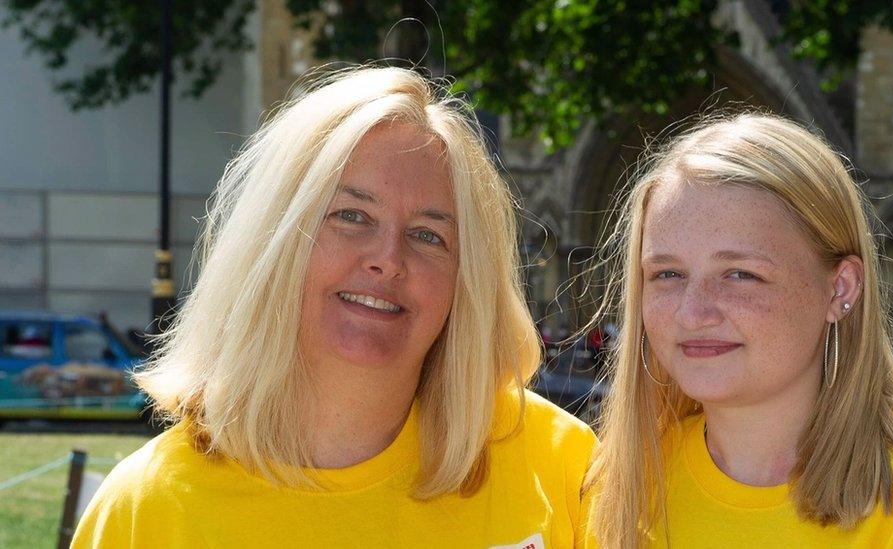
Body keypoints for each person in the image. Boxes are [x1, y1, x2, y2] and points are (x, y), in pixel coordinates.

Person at [72, 67, 596, 548]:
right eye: (351, 215)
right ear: (273, 242)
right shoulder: (148, 510)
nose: (388, 260)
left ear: (469, 281)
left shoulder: (560, 466)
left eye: (428, 235)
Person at [584, 113, 893, 547]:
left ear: (839, 288)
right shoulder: (624, 480)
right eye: (667, 274)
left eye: (740, 274)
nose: (692, 314)